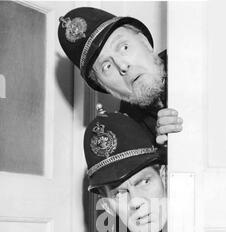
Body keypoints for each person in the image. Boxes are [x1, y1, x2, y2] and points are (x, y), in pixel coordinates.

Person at [58, 6, 183, 144]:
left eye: (124, 47)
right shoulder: (125, 132)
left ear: (144, 42)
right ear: (103, 85)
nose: (122, 66)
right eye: (107, 66)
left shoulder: (197, 59)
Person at [84, 105, 167, 232]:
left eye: (144, 182)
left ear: (164, 177)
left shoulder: (198, 222)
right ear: (108, 206)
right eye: (119, 193)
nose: (136, 201)